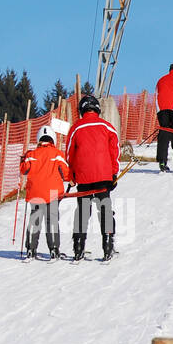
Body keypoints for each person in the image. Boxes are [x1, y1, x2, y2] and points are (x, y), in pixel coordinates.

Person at [65, 95, 120, 262]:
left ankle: (78, 249)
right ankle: (108, 247)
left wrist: (71, 175)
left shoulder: (75, 128)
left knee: (82, 212)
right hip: (104, 176)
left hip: (83, 177)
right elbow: (115, 151)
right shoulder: (108, 127)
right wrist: (114, 173)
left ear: (82, 110)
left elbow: (69, 154)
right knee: (105, 210)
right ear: (97, 109)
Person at [19, 126, 71, 260]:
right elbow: (66, 174)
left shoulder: (31, 155)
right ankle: (54, 250)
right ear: (52, 139)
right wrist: (72, 179)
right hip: (53, 193)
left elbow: (24, 170)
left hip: (35, 192)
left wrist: (22, 159)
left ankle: (30, 249)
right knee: (52, 220)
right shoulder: (58, 154)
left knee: (34, 220)